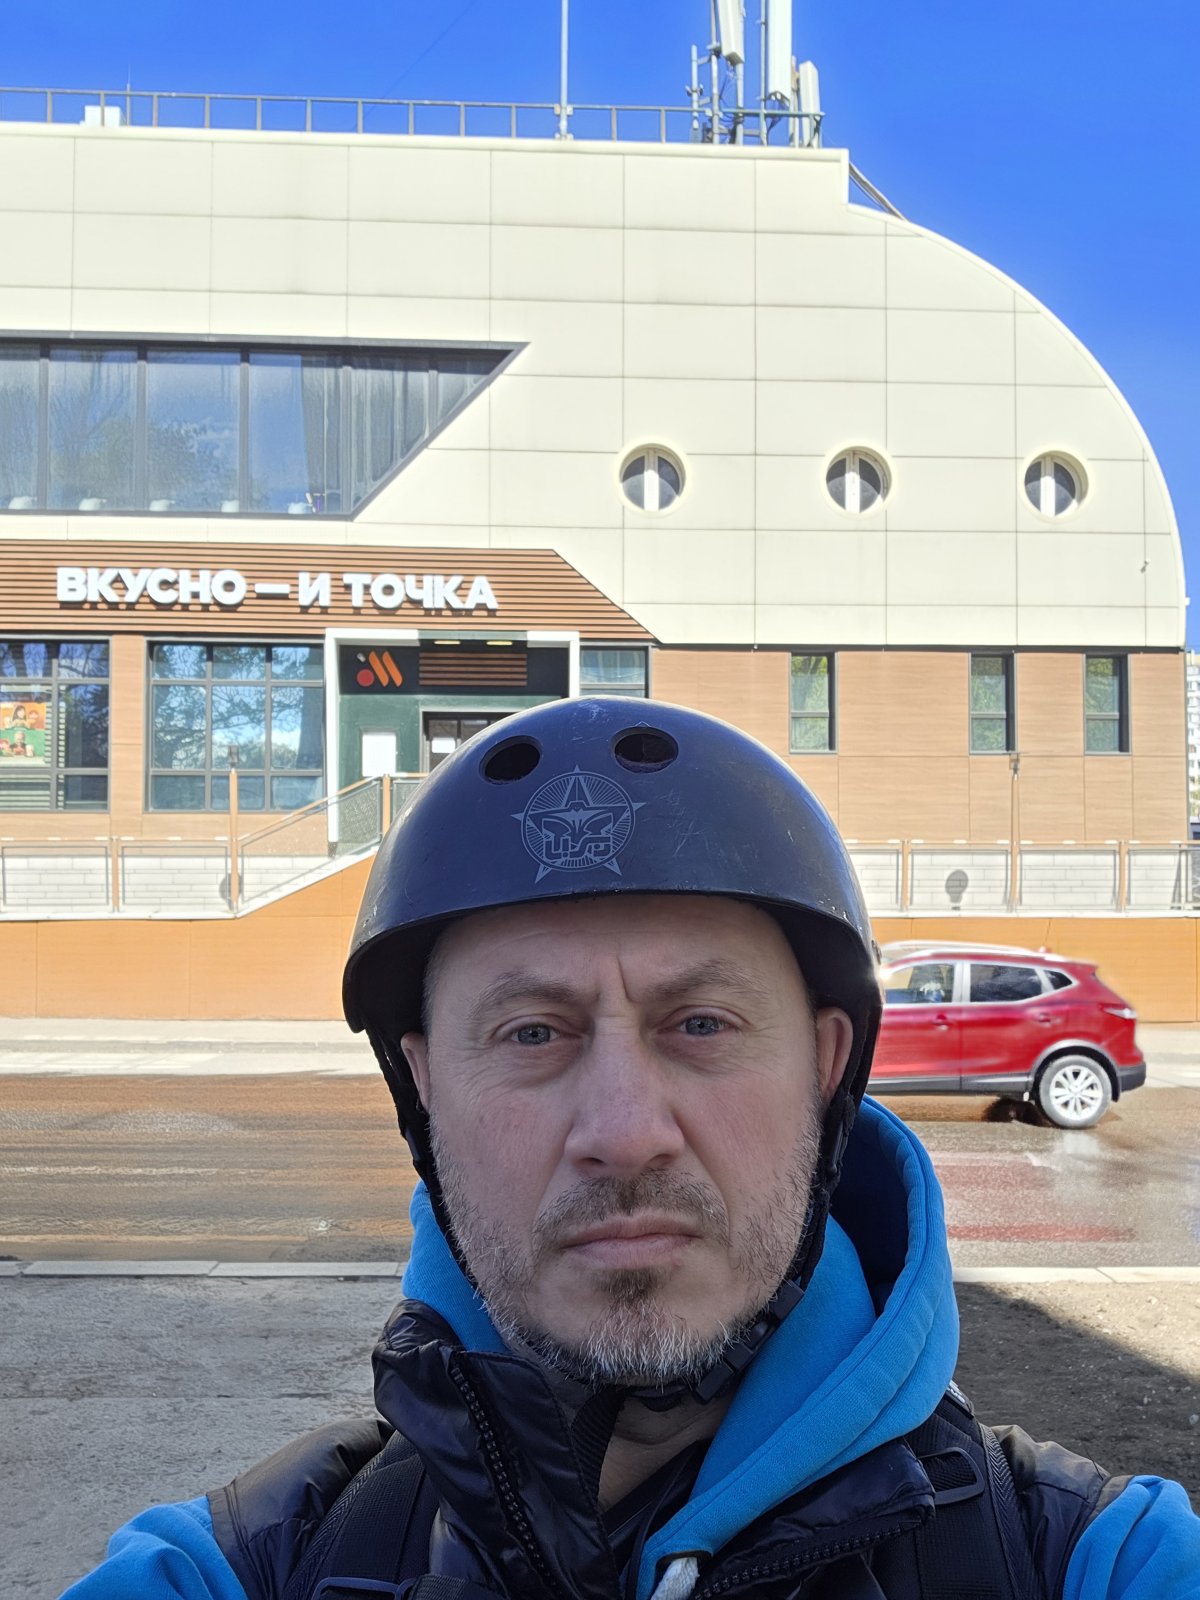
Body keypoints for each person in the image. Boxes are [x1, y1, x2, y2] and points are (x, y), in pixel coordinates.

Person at [62, 698, 1200, 1600]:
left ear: (824, 1065)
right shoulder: (253, 1564)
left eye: (701, 1024)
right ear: (425, 1086)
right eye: (532, 1033)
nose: (623, 1133)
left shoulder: (1092, 1559)